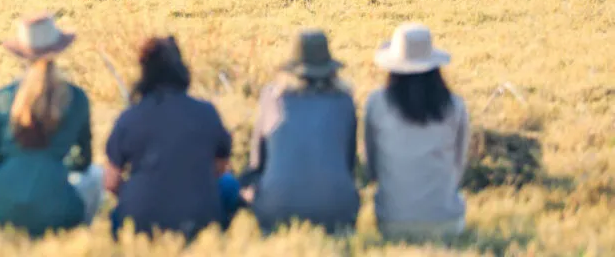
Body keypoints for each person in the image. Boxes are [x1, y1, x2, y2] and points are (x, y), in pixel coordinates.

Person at [0, 13, 103, 237]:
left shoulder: (1, 98)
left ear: (21, 54)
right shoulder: (75, 98)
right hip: (58, 210)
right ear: (58, 50)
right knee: (96, 175)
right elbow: (84, 160)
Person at [105, 36, 240, 240]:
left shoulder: (130, 117)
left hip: (141, 220)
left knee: (115, 215)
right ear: (181, 70)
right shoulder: (206, 112)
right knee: (230, 185)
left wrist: (136, 192)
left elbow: (111, 181)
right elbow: (220, 169)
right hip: (199, 217)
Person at [239, 29, 360, 235]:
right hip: (336, 211)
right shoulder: (344, 101)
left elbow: (257, 163)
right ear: (330, 68)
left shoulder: (272, 97)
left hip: (276, 209)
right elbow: (348, 163)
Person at [365, 23, 470, 241]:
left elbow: (372, 167)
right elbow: (458, 166)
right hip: (447, 223)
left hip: (391, 223)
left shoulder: (376, 103)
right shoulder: (455, 105)